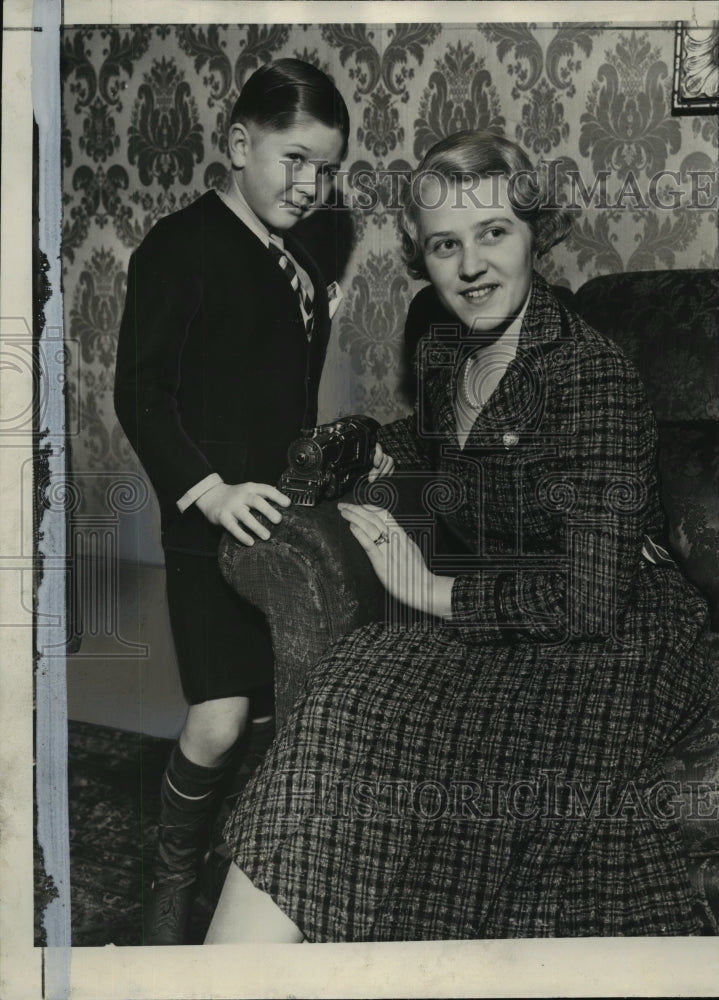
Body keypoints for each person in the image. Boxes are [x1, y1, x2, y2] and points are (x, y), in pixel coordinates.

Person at [205, 130, 712, 942]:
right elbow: (443, 445)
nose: (470, 265)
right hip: (501, 602)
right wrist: (381, 447)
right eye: (445, 244)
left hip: (613, 627)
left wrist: (427, 590)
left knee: (503, 784)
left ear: (531, 235)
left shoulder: (593, 377)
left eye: (492, 233)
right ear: (423, 256)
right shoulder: (443, 349)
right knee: (357, 680)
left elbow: (588, 601)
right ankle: (233, 970)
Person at [114, 59, 392, 945]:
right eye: (294, 160)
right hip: (210, 519)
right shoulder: (180, 244)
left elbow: (279, 398)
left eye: (326, 170)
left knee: (281, 710)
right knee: (220, 716)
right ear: (239, 144)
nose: (310, 187)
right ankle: (172, 872)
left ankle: (261, 877)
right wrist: (208, 490)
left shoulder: (298, 263)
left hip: (280, 529)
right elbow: (142, 394)